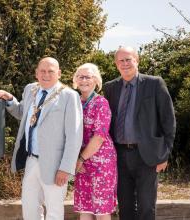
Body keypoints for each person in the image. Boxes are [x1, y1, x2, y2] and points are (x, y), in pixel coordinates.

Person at [0, 57, 83, 219]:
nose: (46, 74)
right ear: (36, 73)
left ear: (59, 73)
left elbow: (74, 136)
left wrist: (66, 168)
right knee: (29, 208)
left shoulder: (69, 96)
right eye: (42, 71)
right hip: (31, 160)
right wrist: (10, 100)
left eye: (51, 71)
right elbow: (23, 112)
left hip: (56, 164)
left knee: (54, 211)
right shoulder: (31, 89)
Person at [103, 46, 176, 220]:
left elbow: (168, 120)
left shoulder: (154, 83)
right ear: (116, 64)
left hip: (147, 156)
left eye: (129, 59)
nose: (125, 63)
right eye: (121, 60)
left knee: (146, 206)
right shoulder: (110, 87)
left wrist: (164, 154)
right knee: (125, 206)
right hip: (119, 155)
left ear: (137, 60)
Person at [72, 63, 117, 220]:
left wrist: (81, 159)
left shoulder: (101, 103)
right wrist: (77, 159)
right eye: (80, 76)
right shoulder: (73, 102)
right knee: (85, 207)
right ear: (75, 80)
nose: (84, 80)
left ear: (96, 80)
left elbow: (99, 137)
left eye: (88, 77)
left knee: (101, 209)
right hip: (81, 161)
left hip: (100, 161)